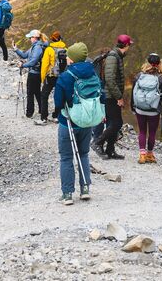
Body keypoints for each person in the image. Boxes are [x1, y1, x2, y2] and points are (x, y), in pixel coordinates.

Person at [52, 42, 99, 205]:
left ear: (71, 59)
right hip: (87, 121)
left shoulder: (66, 76)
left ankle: (67, 194)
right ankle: (85, 189)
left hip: (68, 122)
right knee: (83, 154)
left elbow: (58, 102)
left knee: (66, 157)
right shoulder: (93, 73)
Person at [91, 34, 132, 160]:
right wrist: (119, 97)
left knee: (115, 123)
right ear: (126, 45)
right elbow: (110, 79)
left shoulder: (116, 56)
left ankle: (110, 150)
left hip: (112, 95)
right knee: (116, 123)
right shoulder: (113, 57)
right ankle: (97, 142)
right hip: (111, 96)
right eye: (129, 45)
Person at [132, 53, 162, 163]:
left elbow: (133, 92)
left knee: (142, 131)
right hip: (153, 111)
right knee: (152, 133)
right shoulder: (161, 79)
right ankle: (149, 154)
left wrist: (133, 107)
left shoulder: (139, 76)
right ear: (160, 64)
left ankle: (142, 155)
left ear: (147, 63)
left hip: (140, 109)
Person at [15, 30, 48, 122]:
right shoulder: (36, 46)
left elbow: (33, 61)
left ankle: (29, 113)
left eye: (30, 37)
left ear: (35, 38)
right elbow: (25, 55)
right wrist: (16, 49)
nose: (30, 39)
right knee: (37, 92)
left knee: (30, 93)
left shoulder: (37, 47)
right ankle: (41, 110)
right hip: (36, 73)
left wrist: (23, 65)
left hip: (34, 73)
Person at [38, 31, 67, 125]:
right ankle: (56, 116)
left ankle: (44, 118)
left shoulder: (49, 49)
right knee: (59, 96)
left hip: (50, 76)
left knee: (44, 96)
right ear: (60, 38)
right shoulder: (65, 49)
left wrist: (42, 78)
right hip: (61, 77)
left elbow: (44, 65)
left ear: (52, 39)